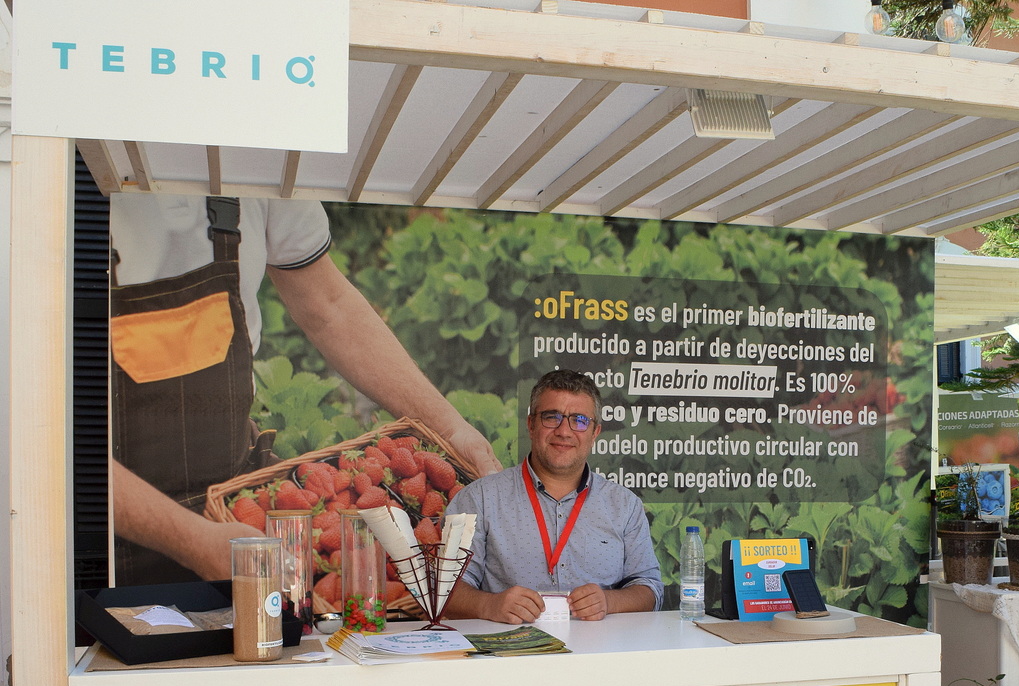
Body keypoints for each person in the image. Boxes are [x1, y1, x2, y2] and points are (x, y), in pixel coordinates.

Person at [109, 194, 502, 583]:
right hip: (109, 523)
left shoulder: (265, 168)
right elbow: (67, 446)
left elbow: (329, 305)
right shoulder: (80, 178)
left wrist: (450, 429)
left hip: (235, 495)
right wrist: (193, 541)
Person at [445, 370, 663, 623]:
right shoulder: (479, 499)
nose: (564, 431)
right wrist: (489, 605)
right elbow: (446, 590)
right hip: (508, 645)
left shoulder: (625, 505)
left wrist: (608, 601)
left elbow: (650, 590)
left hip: (599, 645)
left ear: (595, 432)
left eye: (579, 420)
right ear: (531, 424)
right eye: (552, 417)